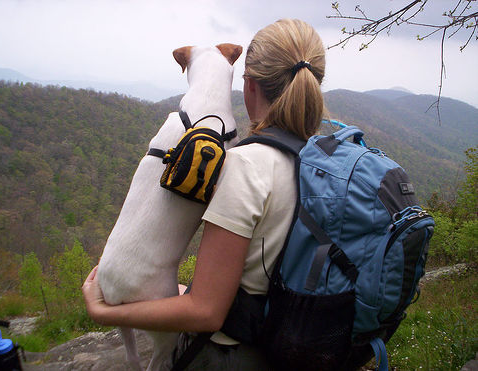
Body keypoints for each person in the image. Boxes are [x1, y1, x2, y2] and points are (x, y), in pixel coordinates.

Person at [82, 18, 326, 370]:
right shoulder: (319, 154)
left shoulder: (245, 166)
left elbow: (207, 312)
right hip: (289, 327)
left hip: (232, 352)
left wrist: (103, 312)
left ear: (249, 85)